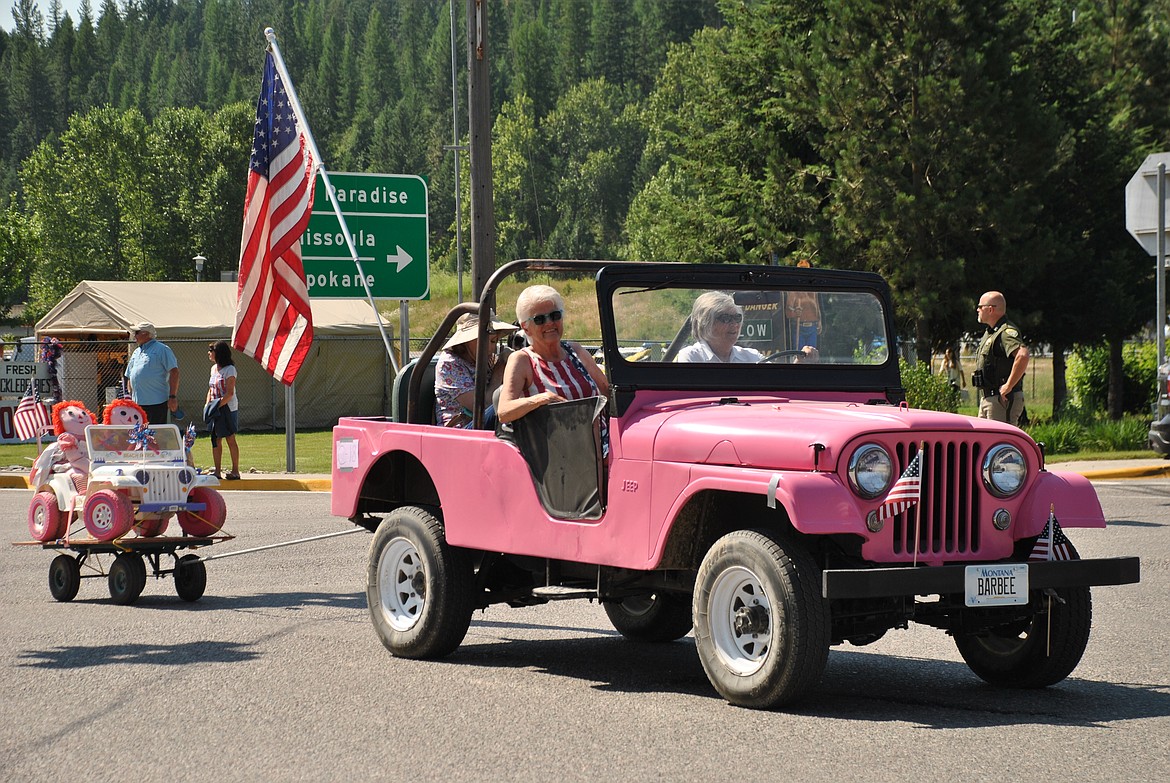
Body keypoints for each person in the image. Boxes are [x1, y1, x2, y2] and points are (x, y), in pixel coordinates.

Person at [497, 285, 609, 423]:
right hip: (552, 442)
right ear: (526, 327)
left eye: (555, 315)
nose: (549, 323)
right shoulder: (522, 360)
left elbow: (608, 392)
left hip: (600, 439)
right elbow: (504, 411)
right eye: (539, 319)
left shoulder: (576, 350)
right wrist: (543, 399)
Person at [434, 312, 517, 428]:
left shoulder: (484, 360)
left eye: (496, 342)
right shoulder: (450, 363)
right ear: (470, 340)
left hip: (483, 426)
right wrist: (500, 367)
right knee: (502, 405)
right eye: (492, 341)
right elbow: (483, 407)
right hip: (460, 432)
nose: (493, 348)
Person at [974, 291, 1029, 426]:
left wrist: (1008, 386)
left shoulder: (1006, 332)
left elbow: (1022, 355)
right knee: (985, 444)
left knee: (999, 444)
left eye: (981, 307)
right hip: (989, 398)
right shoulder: (991, 333)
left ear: (990, 309)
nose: (977, 309)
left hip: (1001, 401)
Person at [676, 292, 763, 363]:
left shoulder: (752, 357)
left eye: (737, 318)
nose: (734, 324)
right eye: (726, 318)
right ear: (705, 323)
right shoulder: (691, 357)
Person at [124, 322, 179, 425]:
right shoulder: (136, 352)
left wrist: (172, 397)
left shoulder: (162, 349)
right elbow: (130, 374)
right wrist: (130, 396)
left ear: (146, 334)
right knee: (138, 436)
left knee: (155, 435)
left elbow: (174, 372)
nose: (134, 335)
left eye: (137, 332)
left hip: (156, 403)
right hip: (138, 403)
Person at [205, 340, 240, 480]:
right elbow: (211, 389)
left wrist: (217, 405)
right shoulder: (214, 369)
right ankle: (217, 471)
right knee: (215, 439)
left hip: (227, 408)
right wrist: (208, 404)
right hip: (215, 408)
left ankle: (235, 471)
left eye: (211, 350)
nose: (209, 353)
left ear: (218, 353)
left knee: (230, 438)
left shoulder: (230, 369)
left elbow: (229, 393)